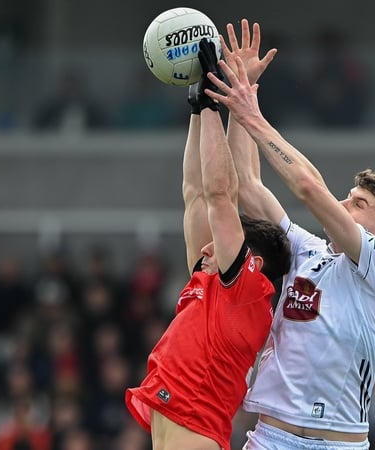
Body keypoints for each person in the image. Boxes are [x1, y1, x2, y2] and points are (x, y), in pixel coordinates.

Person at [205, 19, 375, 449]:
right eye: (347, 196)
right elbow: (248, 184)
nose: (341, 205)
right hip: (270, 436)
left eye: (359, 204)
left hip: (336, 443)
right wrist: (242, 91)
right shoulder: (308, 250)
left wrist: (254, 116)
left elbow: (307, 187)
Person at [124, 38, 291, 450]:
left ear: (248, 258)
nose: (206, 247)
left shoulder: (246, 293)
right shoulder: (216, 283)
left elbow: (221, 194)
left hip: (196, 429)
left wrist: (210, 106)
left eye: (222, 239)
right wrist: (201, 105)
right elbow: (197, 193)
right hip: (179, 421)